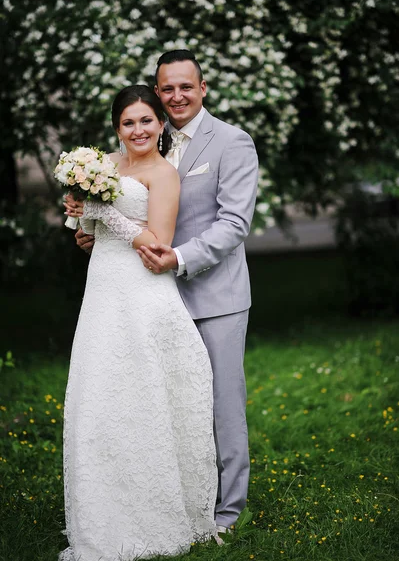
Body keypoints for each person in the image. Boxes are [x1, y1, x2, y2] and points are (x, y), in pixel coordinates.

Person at [73, 50, 259, 534]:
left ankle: (228, 511)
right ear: (157, 94)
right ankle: (170, 499)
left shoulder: (233, 142)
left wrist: (177, 257)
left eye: (185, 86)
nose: (176, 96)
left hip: (212, 294)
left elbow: (234, 223)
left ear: (202, 88)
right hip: (147, 293)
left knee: (220, 401)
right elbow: (132, 211)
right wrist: (93, 229)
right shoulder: (148, 136)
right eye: (167, 88)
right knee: (166, 401)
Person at [60, 84, 218, 561]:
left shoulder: (164, 173)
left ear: (160, 124)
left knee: (142, 394)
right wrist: (79, 220)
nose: (138, 130)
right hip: (102, 288)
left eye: (146, 120)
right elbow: (87, 232)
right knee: (102, 397)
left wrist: (100, 210)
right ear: (116, 128)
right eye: (128, 122)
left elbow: (156, 241)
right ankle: (103, 511)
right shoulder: (103, 166)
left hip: (143, 291)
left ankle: (159, 511)